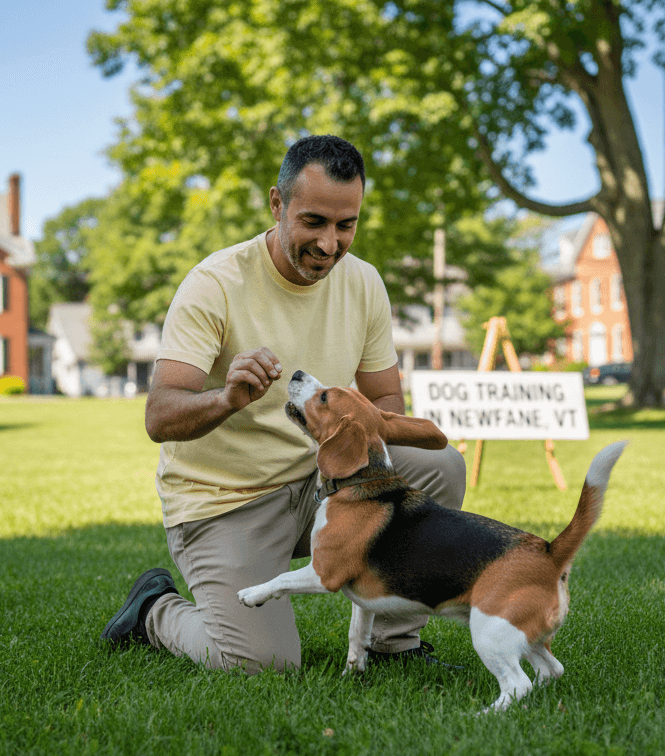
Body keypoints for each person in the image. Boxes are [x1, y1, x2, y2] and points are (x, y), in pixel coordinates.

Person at [99, 135, 467, 673]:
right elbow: (160, 416)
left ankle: (392, 645)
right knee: (263, 663)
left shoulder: (363, 282)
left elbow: (386, 399)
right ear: (277, 204)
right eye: (314, 222)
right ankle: (154, 610)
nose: (329, 244)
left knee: (439, 467)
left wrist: (363, 428)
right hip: (226, 502)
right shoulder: (215, 283)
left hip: (322, 484)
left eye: (347, 225)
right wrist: (226, 399)